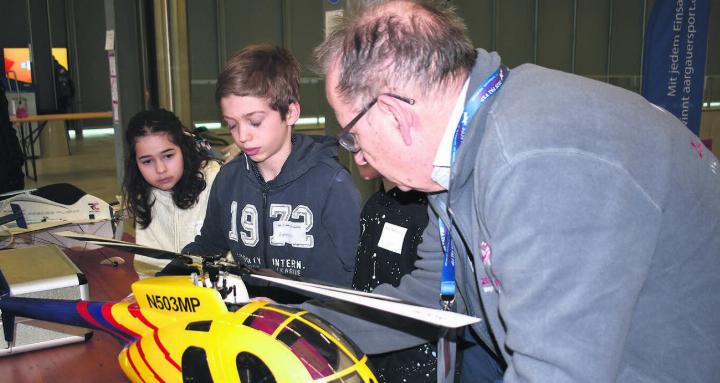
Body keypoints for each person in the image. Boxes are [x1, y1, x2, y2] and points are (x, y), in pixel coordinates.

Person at [306, 1, 720, 383]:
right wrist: (299, 322)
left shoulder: (537, 161)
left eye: (352, 135)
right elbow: (433, 296)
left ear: (395, 114)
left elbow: (556, 371)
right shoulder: (461, 158)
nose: (359, 157)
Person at [182, 44, 361, 299]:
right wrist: (160, 284)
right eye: (232, 125)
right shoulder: (229, 179)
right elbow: (208, 247)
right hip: (249, 318)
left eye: (255, 121)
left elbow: (354, 274)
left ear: (290, 112)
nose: (243, 136)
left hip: (312, 323)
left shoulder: (332, 184)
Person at [352, 163, 437, 382]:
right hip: (369, 346)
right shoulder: (373, 205)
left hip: (414, 356)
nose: (358, 154)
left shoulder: (428, 212)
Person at [122, 109, 221, 277]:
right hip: (169, 295)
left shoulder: (216, 180)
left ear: (182, 148)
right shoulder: (144, 194)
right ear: (135, 163)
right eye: (147, 161)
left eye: (168, 156)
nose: (160, 169)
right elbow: (148, 267)